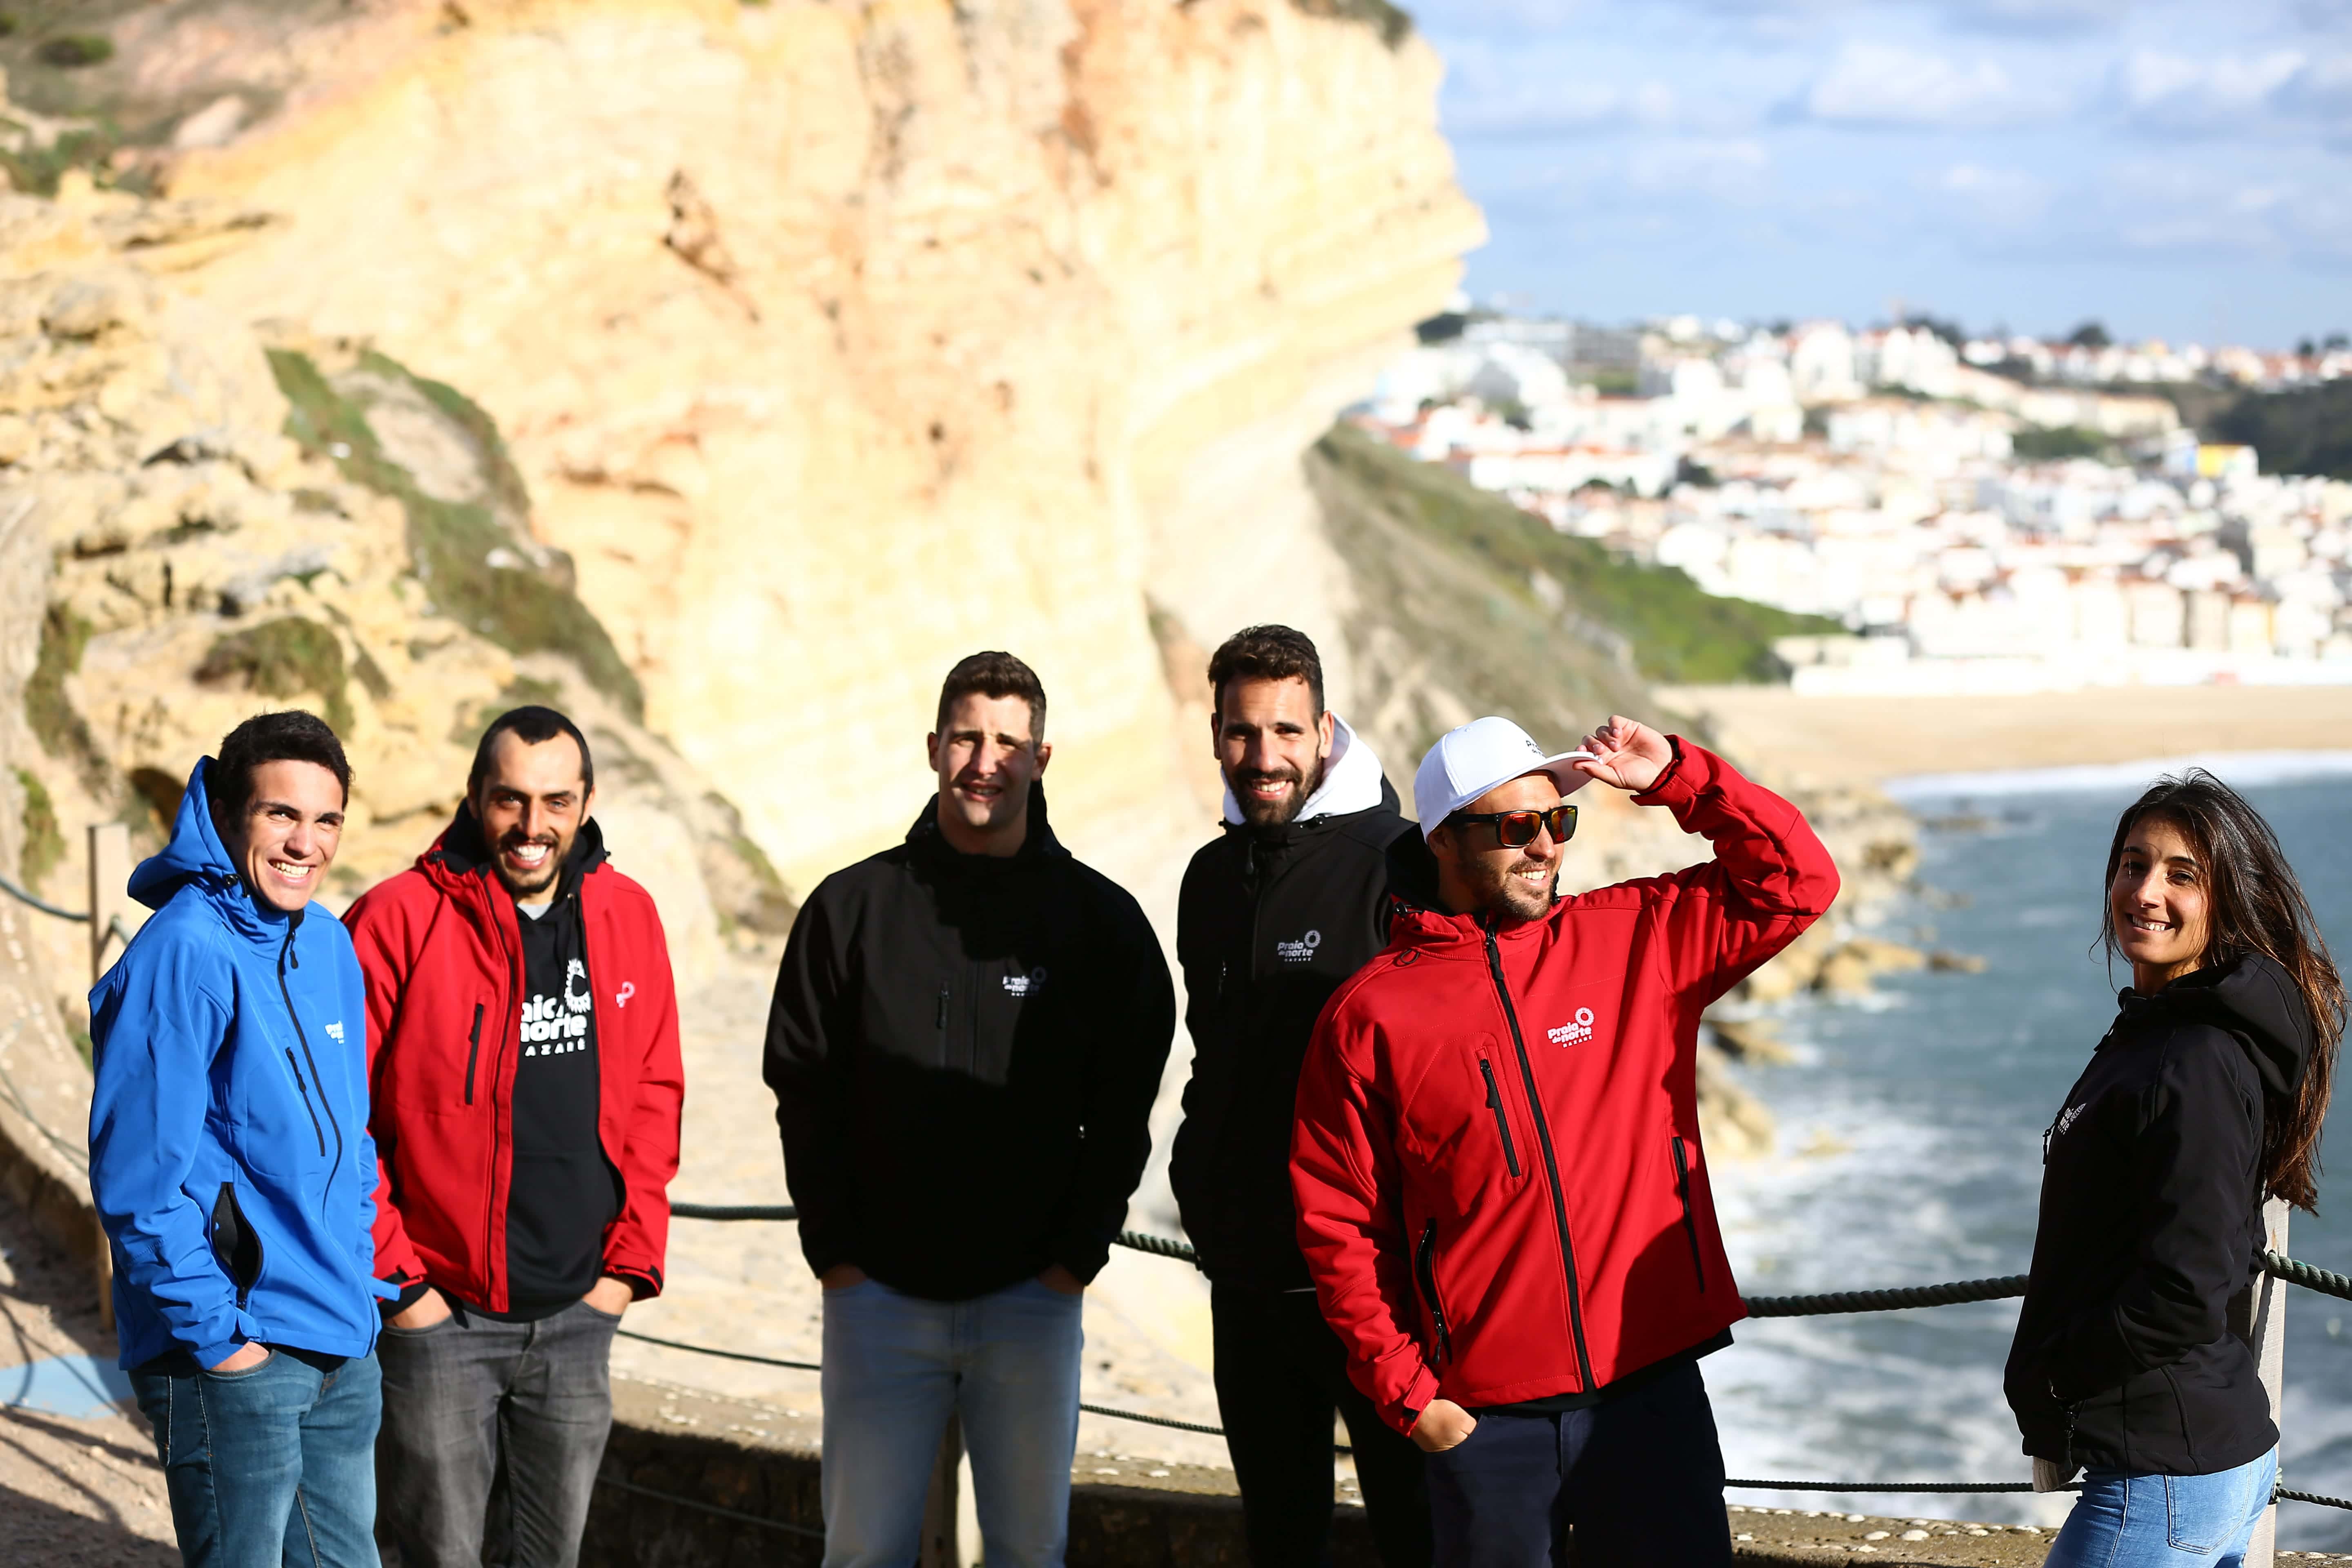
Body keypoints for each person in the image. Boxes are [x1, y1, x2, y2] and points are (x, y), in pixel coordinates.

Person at [1291, 714, 1840, 1568]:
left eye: (1559, 821)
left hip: (1649, 1390)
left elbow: (1797, 883)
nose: (1545, 845)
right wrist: (1410, 1397)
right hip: (1486, 1420)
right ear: (1442, 838)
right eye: (1517, 826)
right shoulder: (1370, 1016)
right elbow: (1340, 1223)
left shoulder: (1637, 937)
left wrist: (1679, 779)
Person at [765, 650, 1176, 1568]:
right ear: (933, 749)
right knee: (861, 1554)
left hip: (1031, 1301)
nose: (984, 760)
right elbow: (803, 1084)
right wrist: (834, 1251)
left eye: (1007, 742)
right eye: (966, 738)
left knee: (1029, 1555)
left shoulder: (1101, 925)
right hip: (877, 1301)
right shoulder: (850, 909)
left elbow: (1127, 1103)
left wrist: (1077, 1254)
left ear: (1042, 757)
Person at [343, 706, 683, 1568]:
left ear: (588, 801)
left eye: (556, 802)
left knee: (551, 1559)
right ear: (473, 798)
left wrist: (626, 1268)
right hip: (439, 1313)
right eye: (511, 801)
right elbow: (340, 1126)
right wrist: (403, 1287)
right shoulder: (394, 920)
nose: (533, 828)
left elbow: (655, 1093)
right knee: (435, 1556)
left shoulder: (629, 914)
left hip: (579, 1311)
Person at [2005, 771, 2339, 1568]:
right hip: (2204, 1461)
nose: (2146, 891)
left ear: (2224, 899)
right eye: (2133, 864)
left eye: (2182, 875)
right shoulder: (2162, 1035)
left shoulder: (2191, 1061)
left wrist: (2058, 1374)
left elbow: (2185, 1289)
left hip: (2165, 1473)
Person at [90, 710, 391, 1568]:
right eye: (280, 815)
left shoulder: (329, 944)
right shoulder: (182, 952)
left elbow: (351, 1136)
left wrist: (365, 1280)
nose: (306, 842)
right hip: (232, 1351)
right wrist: (224, 1343)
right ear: (227, 817)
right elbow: (136, 1185)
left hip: (339, 1337)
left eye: (326, 819)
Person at [1169, 624, 1431, 1566]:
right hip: (1248, 1281)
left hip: (1379, 1290)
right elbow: (1214, 1058)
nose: (1264, 757)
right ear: (1214, 736)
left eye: (1286, 731)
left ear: (1325, 732)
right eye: (1243, 733)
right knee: (1280, 1542)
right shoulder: (1209, 881)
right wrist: (1203, 1191)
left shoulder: (1402, 865)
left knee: (1419, 1537)